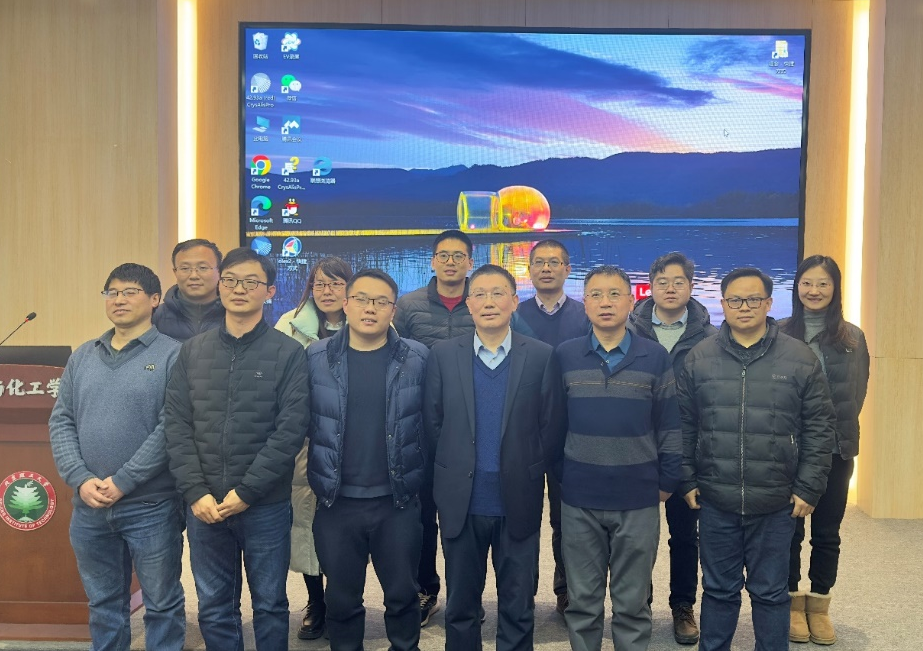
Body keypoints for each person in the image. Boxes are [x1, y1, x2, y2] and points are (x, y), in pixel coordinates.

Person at [676, 267, 836, 651]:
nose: (744, 307)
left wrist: (809, 487)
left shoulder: (799, 358)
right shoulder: (699, 358)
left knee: (770, 592)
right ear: (723, 304)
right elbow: (682, 425)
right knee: (718, 590)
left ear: (768, 303)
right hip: (716, 499)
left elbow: (820, 426)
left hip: (777, 502)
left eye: (753, 299)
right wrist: (687, 478)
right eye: (735, 300)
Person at [165, 247, 310, 651]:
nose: (238, 289)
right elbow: (176, 425)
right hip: (205, 505)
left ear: (270, 292)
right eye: (230, 280)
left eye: (250, 282)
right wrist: (195, 491)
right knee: (213, 606)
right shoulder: (193, 351)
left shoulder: (288, 353)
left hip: (264, 504)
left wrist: (247, 492)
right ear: (220, 287)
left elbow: (290, 431)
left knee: (270, 604)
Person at [424, 264, 566, 651]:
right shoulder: (443, 355)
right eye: (480, 294)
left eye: (498, 293)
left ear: (514, 301)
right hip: (462, 500)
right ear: (468, 304)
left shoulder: (540, 356)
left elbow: (551, 426)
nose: (489, 302)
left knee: (518, 607)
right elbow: (433, 423)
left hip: (517, 496)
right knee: (461, 606)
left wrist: (527, 466)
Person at [49, 263, 185, 651]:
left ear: (155, 300)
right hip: (89, 505)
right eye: (112, 292)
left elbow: (172, 426)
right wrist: (79, 477)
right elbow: (61, 420)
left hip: (151, 506)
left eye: (130, 292)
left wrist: (124, 481)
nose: (119, 299)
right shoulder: (83, 355)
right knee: (104, 604)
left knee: (161, 603)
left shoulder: (174, 355)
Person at [555, 264, 682, 651]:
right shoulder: (566, 355)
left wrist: (667, 482)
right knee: (582, 603)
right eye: (596, 294)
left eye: (614, 294)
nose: (605, 302)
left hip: (638, 497)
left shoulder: (655, 356)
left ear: (631, 301)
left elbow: (669, 424)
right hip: (580, 499)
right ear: (585, 303)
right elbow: (552, 425)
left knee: (632, 603)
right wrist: (564, 477)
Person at [306, 269, 429, 651]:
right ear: (345, 304)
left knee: (403, 596)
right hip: (336, 502)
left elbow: (432, 423)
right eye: (361, 299)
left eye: (380, 302)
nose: (370, 308)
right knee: (341, 601)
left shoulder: (417, 358)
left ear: (393, 310)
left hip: (397, 501)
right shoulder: (315, 357)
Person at [780, 256, 869, 646]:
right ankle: (790, 604)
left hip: (836, 450)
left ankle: (819, 605)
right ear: (796, 287)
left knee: (827, 532)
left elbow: (857, 394)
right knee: (789, 532)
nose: (814, 291)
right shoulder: (779, 333)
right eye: (807, 283)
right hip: (788, 451)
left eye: (823, 284)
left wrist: (832, 432)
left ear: (835, 289)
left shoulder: (853, 338)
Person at [630, 251, 717, 644]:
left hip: (688, 451)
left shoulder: (710, 337)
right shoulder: (628, 330)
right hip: (638, 450)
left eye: (678, 281)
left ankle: (683, 606)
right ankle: (639, 605)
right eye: (662, 281)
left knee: (684, 536)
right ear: (650, 286)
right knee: (637, 537)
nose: (670, 288)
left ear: (691, 287)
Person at [394, 229, 476, 625]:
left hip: (471, 424)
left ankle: (467, 595)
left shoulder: (481, 301)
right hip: (419, 426)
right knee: (422, 516)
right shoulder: (408, 305)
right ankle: (425, 590)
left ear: (470, 263)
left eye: (459, 256)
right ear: (432, 261)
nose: (450, 262)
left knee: (466, 515)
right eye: (443, 255)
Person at [275, 256, 353, 641]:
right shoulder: (289, 324)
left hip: (354, 440)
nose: (327, 291)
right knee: (307, 521)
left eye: (336, 284)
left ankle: (342, 600)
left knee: (347, 522)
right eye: (320, 284)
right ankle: (316, 602)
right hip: (306, 439)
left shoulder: (369, 319)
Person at [513, 238, 589, 616]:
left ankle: (567, 590)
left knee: (567, 518)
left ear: (567, 269)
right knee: (522, 516)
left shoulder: (585, 314)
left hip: (570, 430)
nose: (546, 268)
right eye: (539, 262)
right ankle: (521, 592)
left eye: (554, 262)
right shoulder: (515, 314)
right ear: (529, 270)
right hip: (522, 429)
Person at [152, 238, 225, 341]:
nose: (194, 276)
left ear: (219, 271)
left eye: (203, 267)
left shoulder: (235, 314)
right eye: (185, 268)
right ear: (175, 272)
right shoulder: (155, 317)